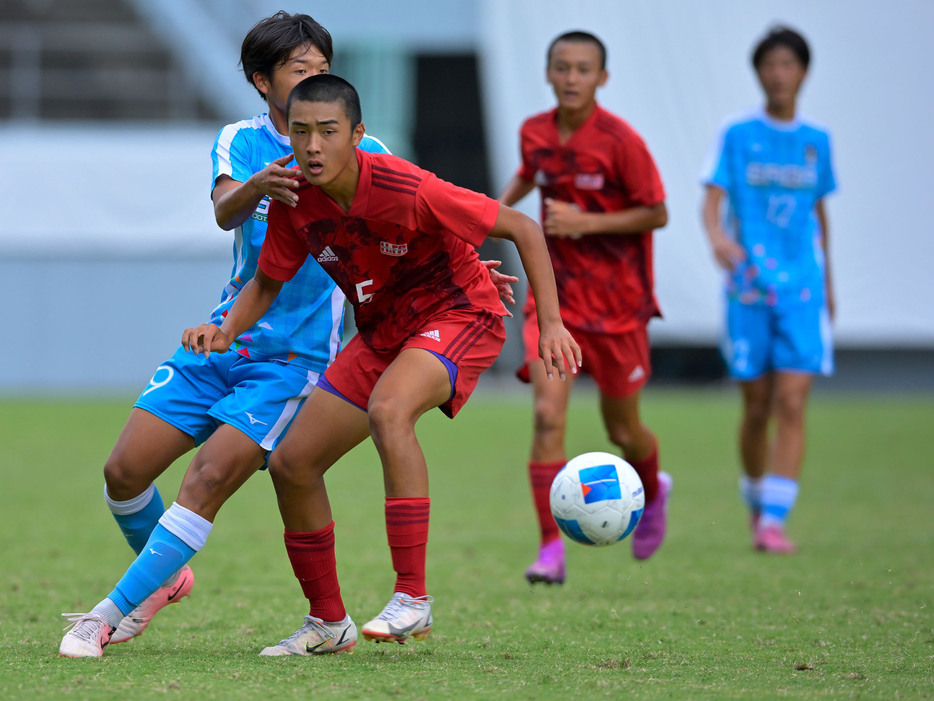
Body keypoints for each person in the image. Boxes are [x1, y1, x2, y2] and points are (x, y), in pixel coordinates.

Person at [58, 12, 516, 658]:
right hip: (226, 334)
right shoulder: (242, 143)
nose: (315, 79)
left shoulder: (367, 152)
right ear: (261, 82)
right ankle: (166, 577)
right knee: (123, 472)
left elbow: (424, 215)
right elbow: (223, 213)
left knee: (210, 476)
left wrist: (464, 275)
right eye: (300, 70)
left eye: (322, 67)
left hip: (296, 358)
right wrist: (258, 186)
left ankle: (108, 615)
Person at [181, 74, 581, 654]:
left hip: (458, 310)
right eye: (300, 132)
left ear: (358, 134)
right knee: (293, 463)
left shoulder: (407, 187)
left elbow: (521, 226)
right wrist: (224, 331)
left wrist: (550, 322)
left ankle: (412, 597)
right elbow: (267, 281)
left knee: (389, 410)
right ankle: (327, 623)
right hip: (382, 331)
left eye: (328, 131)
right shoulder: (295, 201)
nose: (312, 146)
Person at [497, 31, 671, 585]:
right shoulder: (536, 132)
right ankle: (551, 551)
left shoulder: (622, 142)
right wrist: (487, 213)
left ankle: (653, 486)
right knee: (548, 417)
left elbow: (658, 213)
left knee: (625, 430)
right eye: (563, 68)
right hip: (558, 303)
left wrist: (586, 223)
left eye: (583, 69)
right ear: (548, 73)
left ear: (602, 78)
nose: (572, 78)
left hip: (619, 307)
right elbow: (531, 172)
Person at [700, 26, 837, 554]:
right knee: (757, 407)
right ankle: (759, 501)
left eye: (788, 64)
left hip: (803, 288)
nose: (779, 73)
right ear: (759, 72)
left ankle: (774, 520)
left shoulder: (816, 141)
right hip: (749, 287)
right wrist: (716, 237)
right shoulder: (737, 135)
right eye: (770, 64)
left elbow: (820, 213)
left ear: (803, 71)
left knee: (794, 402)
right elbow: (711, 199)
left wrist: (831, 283)